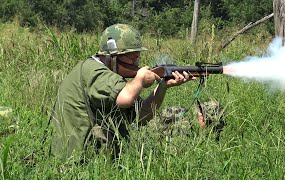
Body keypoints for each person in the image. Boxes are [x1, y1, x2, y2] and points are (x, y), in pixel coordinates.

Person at [49, 24, 194, 159]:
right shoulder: (94, 71)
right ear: (112, 55)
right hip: (77, 160)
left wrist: (162, 86)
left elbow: (142, 117)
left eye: (138, 57)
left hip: (90, 158)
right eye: (132, 58)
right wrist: (140, 79)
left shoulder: (109, 76)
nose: (136, 63)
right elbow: (125, 99)